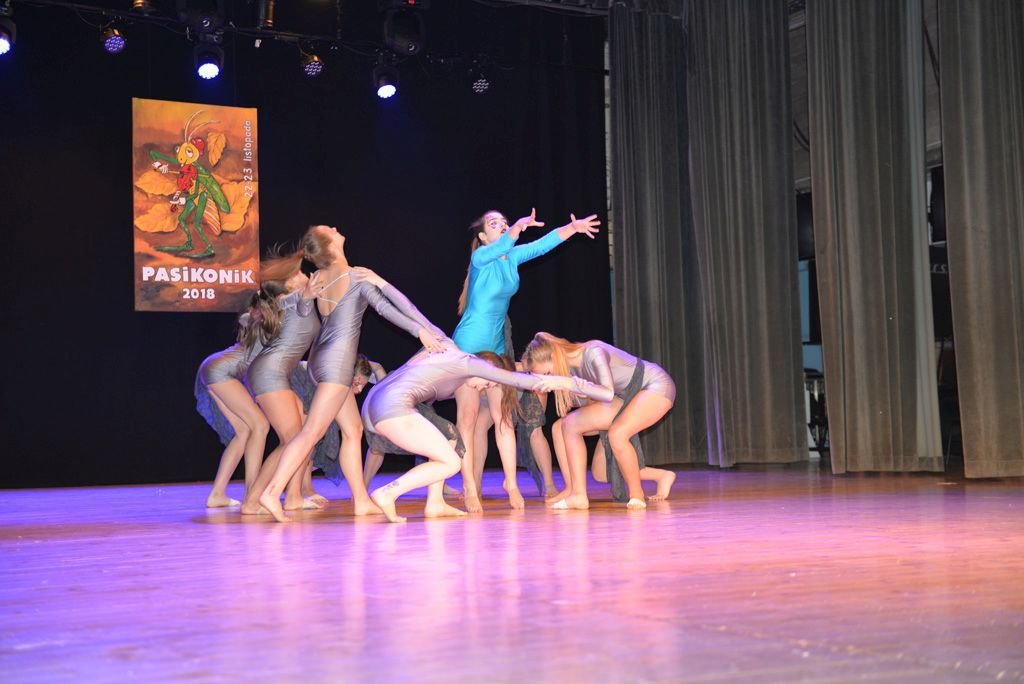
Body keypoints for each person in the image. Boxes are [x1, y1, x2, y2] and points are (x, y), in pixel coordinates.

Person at [256, 225, 448, 522]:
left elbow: (301, 309)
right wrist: (419, 331)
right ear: (330, 246)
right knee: (311, 432)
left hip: (319, 361)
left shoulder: (319, 277)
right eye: (330, 230)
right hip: (337, 364)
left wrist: (305, 298)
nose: (336, 228)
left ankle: (361, 500)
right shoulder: (356, 276)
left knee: (353, 430)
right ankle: (271, 492)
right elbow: (385, 309)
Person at [452, 209, 601, 513]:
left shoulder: (512, 257)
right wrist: (516, 229)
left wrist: (572, 229)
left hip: (497, 350)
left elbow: (542, 245)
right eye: (494, 224)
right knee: (467, 418)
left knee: (503, 418)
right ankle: (469, 487)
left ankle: (511, 483)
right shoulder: (480, 258)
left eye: (504, 222)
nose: (502, 226)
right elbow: (505, 244)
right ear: (483, 237)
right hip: (467, 347)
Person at [363, 347, 613, 522]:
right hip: (391, 407)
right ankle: (388, 492)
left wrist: (422, 329)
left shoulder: (453, 355)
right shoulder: (469, 365)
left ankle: (435, 502)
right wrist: (562, 382)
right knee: (450, 462)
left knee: (449, 437)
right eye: (487, 383)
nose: (484, 388)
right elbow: (515, 379)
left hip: (378, 403)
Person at [523, 332, 677, 510]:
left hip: (653, 386)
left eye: (548, 373)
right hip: (624, 397)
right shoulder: (570, 370)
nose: (552, 378)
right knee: (566, 427)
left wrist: (568, 384)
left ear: (554, 357)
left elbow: (607, 393)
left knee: (618, 435)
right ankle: (576, 492)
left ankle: (637, 495)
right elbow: (589, 397)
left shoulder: (593, 352)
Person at [239, 261, 326, 515]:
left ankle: (294, 497)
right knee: (293, 440)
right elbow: (292, 300)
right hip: (269, 374)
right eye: (298, 273)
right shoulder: (293, 300)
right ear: (288, 285)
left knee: (302, 433)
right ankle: (253, 501)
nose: (304, 274)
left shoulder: (296, 303)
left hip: (274, 374)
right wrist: (304, 293)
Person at [193, 297, 276, 507]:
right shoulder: (266, 320)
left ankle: (217, 495)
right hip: (222, 371)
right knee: (260, 425)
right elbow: (248, 316)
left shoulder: (260, 320)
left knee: (244, 431)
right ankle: (252, 496)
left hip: (214, 368)